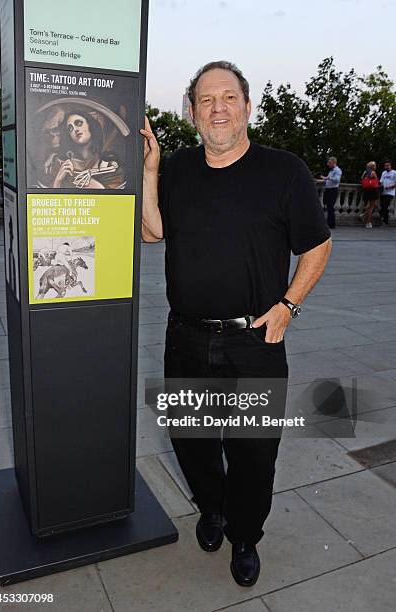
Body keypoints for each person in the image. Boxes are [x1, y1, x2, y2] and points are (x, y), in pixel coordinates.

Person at [140, 61, 332, 587]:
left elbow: (318, 244)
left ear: (247, 106)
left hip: (255, 343)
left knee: (252, 449)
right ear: (192, 112)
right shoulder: (177, 168)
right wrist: (151, 172)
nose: (218, 108)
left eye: (228, 97)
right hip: (185, 338)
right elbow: (153, 233)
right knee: (192, 440)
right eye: (206, 100)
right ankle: (212, 509)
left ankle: (245, 536)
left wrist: (289, 305)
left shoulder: (283, 170)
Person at [53, 112, 123, 189]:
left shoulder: (109, 161)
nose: (75, 129)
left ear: (90, 125)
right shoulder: (63, 166)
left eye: (79, 123)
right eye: (70, 128)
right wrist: (58, 181)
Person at [320, 156, 342, 229]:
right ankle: (328, 222)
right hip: (328, 190)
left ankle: (331, 224)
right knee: (327, 206)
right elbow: (327, 180)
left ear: (333, 162)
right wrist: (319, 181)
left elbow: (337, 180)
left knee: (330, 207)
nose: (328, 164)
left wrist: (327, 178)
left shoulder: (337, 170)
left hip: (333, 190)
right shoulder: (331, 171)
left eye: (329, 162)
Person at [360, 161, 380, 228]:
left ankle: (363, 215)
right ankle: (368, 222)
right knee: (372, 207)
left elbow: (361, 179)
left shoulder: (365, 172)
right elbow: (377, 181)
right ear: (372, 166)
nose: (375, 166)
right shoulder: (373, 172)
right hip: (373, 190)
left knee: (372, 205)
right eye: (375, 165)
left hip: (366, 190)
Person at [379, 160, 396, 226]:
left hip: (390, 192)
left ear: (390, 166)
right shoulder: (384, 173)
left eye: (388, 165)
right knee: (382, 206)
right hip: (383, 192)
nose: (387, 166)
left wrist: (389, 187)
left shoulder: (394, 172)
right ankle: (383, 218)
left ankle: (385, 221)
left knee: (385, 205)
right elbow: (381, 182)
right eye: (385, 165)